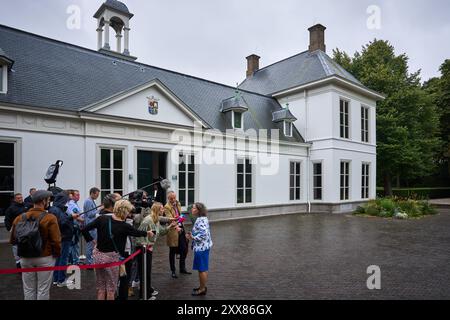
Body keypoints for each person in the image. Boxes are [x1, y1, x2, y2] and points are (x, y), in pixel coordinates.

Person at [81, 199, 153, 300]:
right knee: (111, 290)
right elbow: (138, 233)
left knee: (101, 289)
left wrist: (92, 241)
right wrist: (148, 233)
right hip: (112, 259)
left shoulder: (102, 218)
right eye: (128, 211)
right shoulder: (125, 226)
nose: (129, 214)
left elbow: (83, 229)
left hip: (98, 257)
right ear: (124, 211)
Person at [9, 190, 62, 300]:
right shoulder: (50, 217)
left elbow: (13, 240)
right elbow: (56, 240)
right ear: (43, 201)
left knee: (28, 289)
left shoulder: (19, 217)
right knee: (43, 289)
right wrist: (57, 254)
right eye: (48, 200)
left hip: (25, 257)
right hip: (45, 256)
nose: (49, 202)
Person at [136, 202, 178, 300]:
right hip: (143, 250)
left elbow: (161, 232)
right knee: (144, 272)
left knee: (148, 271)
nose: (163, 210)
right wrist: (146, 245)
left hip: (148, 249)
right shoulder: (148, 220)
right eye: (162, 208)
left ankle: (148, 290)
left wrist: (170, 226)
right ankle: (144, 295)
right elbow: (138, 236)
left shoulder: (156, 219)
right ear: (157, 209)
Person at [48, 191, 80, 287]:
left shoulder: (56, 209)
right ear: (62, 200)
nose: (68, 202)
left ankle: (56, 279)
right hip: (64, 237)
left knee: (58, 258)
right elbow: (62, 222)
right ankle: (61, 280)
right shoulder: (56, 210)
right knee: (63, 259)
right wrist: (71, 217)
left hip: (62, 236)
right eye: (67, 200)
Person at [186, 202, 213, 296]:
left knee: (202, 269)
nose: (191, 210)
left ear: (198, 210)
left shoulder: (200, 220)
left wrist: (192, 238)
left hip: (201, 248)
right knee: (202, 269)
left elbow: (203, 234)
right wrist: (192, 234)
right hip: (204, 247)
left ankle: (202, 289)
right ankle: (202, 286)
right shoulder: (202, 218)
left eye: (193, 208)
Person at [164, 191, 191, 278]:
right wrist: (176, 226)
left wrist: (181, 218)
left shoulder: (178, 203)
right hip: (173, 231)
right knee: (172, 251)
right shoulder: (166, 207)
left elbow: (180, 214)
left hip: (181, 228)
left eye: (174, 198)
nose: (173, 200)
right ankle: (173, 271)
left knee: (183, 249)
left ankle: (182, 268)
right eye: (171, 198)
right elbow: (170, 219)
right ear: (168, 198)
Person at [5, 193, 26, 269]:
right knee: (16, 247)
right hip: (16, 231)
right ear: (15, 199)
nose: (20, 199)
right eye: (18, 198)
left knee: (26, 247)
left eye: (21, 197)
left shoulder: (26, 206)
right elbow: (7, 220)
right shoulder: (11, 208)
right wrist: (10, 229)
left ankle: (25, 264)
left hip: (27, 231)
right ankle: (18, 265)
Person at [82, 187, 100, 266]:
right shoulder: (88, 201)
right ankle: (89, 263)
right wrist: (99, 209)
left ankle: (90, 261)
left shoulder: (91, 201)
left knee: (92, 245)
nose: (98, 196)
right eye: (97, 194)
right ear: (92, 193)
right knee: (90, 245)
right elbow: (90, 214)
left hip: (92, 226)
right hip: (90, 226)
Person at [67, 190, 82, 265]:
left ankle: (74, 260)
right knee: (74, 245)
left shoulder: (74, 204)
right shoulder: (72, 204)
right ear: (72, 196)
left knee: (74, 245)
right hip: (74, 227)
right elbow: (75, 216)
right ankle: (75, 261)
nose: (78, 196)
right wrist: (82, 220)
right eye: (76, 195)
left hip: (75, 226)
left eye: (79, 195)